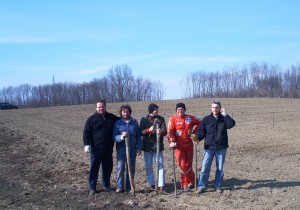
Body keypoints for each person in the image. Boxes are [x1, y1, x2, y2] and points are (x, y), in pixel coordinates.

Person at [196, 99, 235, 194]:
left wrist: (225, 114)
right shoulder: (206, 119)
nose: (215, 109)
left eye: (217, 107)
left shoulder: (224, 119)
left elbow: (231, 125)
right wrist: (196, 139)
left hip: (221, 147)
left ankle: (218, 186)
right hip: (209, 147)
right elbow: (201, 132)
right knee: (205, 167)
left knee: (220, 168)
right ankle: (202, 186)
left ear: (220, 108)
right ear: (211, 108)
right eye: (213, 107)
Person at [83, 100, 119, 196]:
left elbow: (121, 121)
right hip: (95, 149)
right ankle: (92, 187)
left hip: (108, 149)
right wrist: (87, 144)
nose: (101, 108)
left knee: (107, 168)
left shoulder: (111, 117)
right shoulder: (91, 119)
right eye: (99, 107)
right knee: (94, 168)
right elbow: (86, 133)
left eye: (102, 106)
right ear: (96, 108)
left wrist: (130, 119)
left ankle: (106, 185)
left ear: (105, 107)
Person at [168, 102, 201, 191]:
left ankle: (185, 184)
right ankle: (194, 180)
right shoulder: (173, 119)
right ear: (176, 110)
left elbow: (200, 122)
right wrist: (172, 141)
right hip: (179, 146)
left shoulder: (190, 118)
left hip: (189, 145)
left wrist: (194, 133)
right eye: (178, 109)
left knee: (188, 164)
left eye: (182, 109)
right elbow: (170, 132)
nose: (180, 111)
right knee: (183, 165)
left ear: (184, 110)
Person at [113, 104, 143, 193]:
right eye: (123, 112)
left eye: (127, 111)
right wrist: (121, 137)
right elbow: (114, 136)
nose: (125, 113)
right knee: (120, 167)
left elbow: (138, 136)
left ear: (130, 112)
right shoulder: (118, 123)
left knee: (131, 168)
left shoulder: (134, 122)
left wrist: (139, 147)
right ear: (121, 113)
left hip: (132, 149)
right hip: (121, 149)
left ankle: (129, 187)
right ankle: (120, 186)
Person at [140, 103, 167, 191]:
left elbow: (165, 131)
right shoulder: (144, 119)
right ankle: (152, 184)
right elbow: (141, 132)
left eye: (157, 109)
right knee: (148, 166)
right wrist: (148, 130)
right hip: (147, 147)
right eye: (156, 109)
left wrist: (160, 132)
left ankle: (161, 184)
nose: (157, 111)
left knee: (160, 165)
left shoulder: (161, 119)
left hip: (158, 146)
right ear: (151, 110)